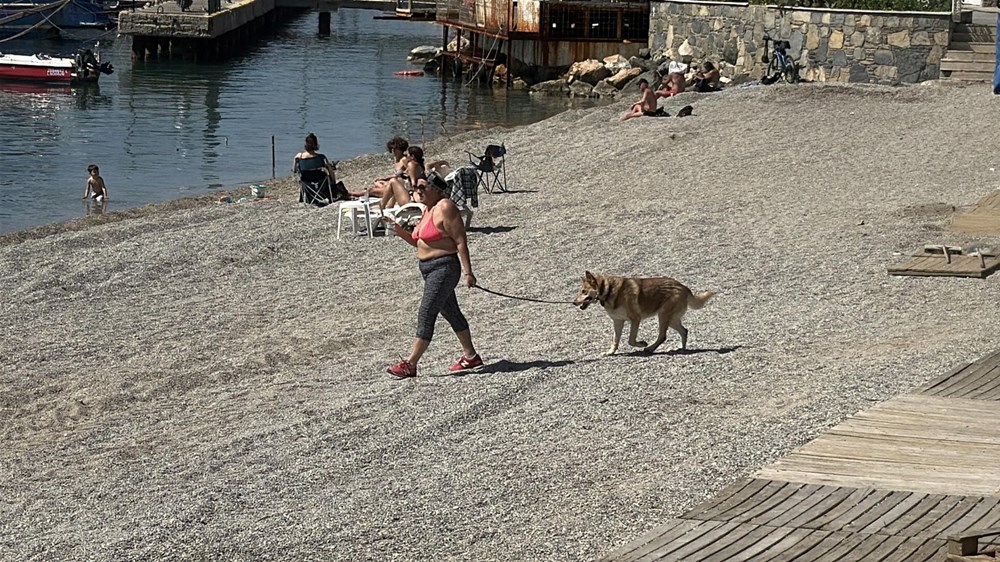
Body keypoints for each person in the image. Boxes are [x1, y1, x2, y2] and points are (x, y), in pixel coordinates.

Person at [384, 172, 482, 378]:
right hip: (428, 269)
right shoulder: (427, 210)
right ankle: (471, 356)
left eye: (422, 187)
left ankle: (410, 364)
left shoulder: (445, 207)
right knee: (451, 312)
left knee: (427, 312)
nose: (417, 191)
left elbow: (460, 241)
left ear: (436, 189)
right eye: (416, 188)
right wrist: (396, 228)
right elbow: (418, 241)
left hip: (444, 267)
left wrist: (469, 273)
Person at [293, 133, 346, 203]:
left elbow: (295, 171)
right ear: (316, 145)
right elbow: (331, 172)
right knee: (326, 175)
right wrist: (333, 183)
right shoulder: (321, 157)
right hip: (321, 183)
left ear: (305, 144)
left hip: (307, 183)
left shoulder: (299, 157)